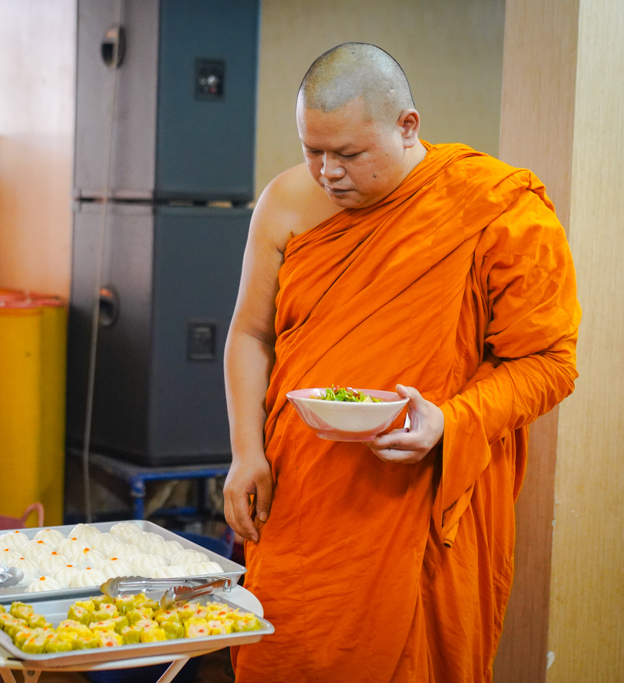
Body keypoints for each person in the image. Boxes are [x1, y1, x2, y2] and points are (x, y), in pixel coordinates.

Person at [222, 42, 580, 682]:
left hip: (419, 498)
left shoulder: (493, 207)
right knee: (291, 650)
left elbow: (550, 362)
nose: (328, 172)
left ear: (408, 126)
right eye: (313, 150)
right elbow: (250, 334)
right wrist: (246, 453)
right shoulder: (285, 202)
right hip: (303, 495)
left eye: (349, 154)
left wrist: (451, 421)